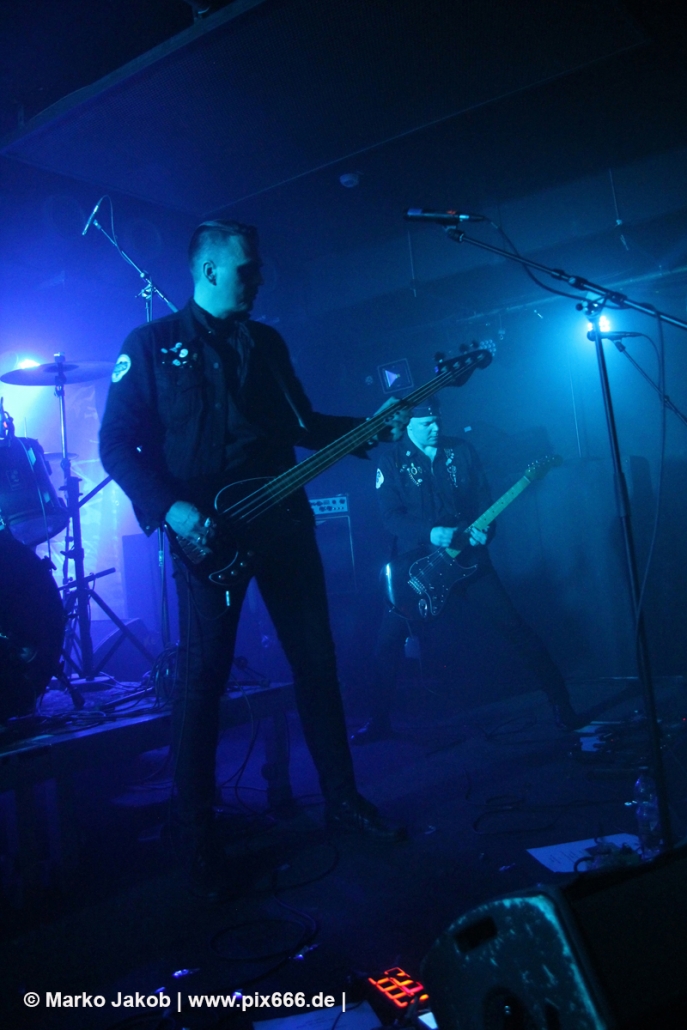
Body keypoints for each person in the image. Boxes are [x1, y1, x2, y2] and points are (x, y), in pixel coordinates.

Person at [99, 220, 407, 896]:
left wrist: (371, 426)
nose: (258, 278)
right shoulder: (150, 345)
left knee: (317, 663)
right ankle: (197, 836)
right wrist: (177, 513)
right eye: (247, 269)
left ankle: (343, 801)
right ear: (209, 270)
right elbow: (116, 445)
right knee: (203, 681)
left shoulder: (266, 342)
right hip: (208, 532)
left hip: (284, 523)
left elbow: (303, 425)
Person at [351, 400, 580, 743]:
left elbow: (483, 499)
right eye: (427, 423)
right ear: (409, 424)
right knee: (388, 641)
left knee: (514, 626)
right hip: (418, 567)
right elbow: (390, 517)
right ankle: (378, 720)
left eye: (438, 421)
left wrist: (487, 530)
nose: (436, 428)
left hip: (468, 559)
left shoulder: (461, 450)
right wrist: (430, 532)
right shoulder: (392, 460)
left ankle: (562, 703)